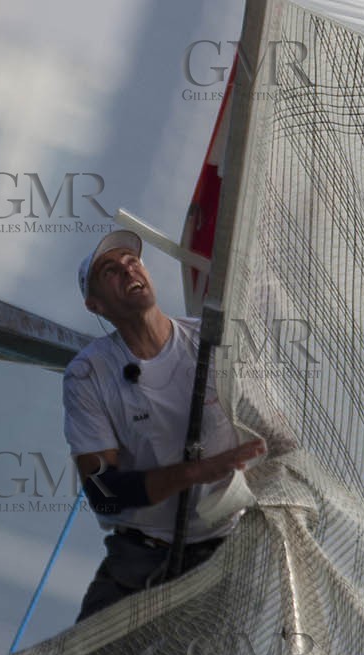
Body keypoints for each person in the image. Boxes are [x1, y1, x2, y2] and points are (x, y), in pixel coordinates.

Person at [63, 230, 265, 619]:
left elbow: (274, 435)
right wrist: (198, 471)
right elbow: (104, 492)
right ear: (95, 305)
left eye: (132, 261)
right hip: (140, 557)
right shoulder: (88, 374)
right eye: (111, 270)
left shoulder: (216, 345)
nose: (128, 269)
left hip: (224, 550)